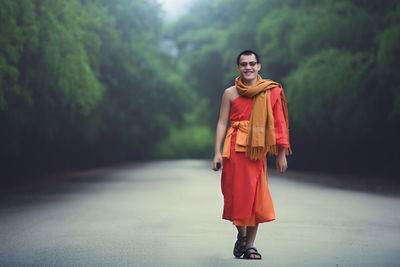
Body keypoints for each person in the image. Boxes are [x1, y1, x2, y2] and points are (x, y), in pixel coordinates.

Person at [212, 50, 291, 259]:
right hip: (235, 151)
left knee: (256, 198)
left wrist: (282, 154)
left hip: (257, 151)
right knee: (236, 198)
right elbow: (222, 122)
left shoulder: (270, 91)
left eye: (252, 63)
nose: (248, 67)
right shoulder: (230, 93)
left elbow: (280, 124)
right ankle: (242, 238)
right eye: (244, 64)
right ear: (238, 68)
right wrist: (216, 153)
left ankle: (249, 245)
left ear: (259, 66)